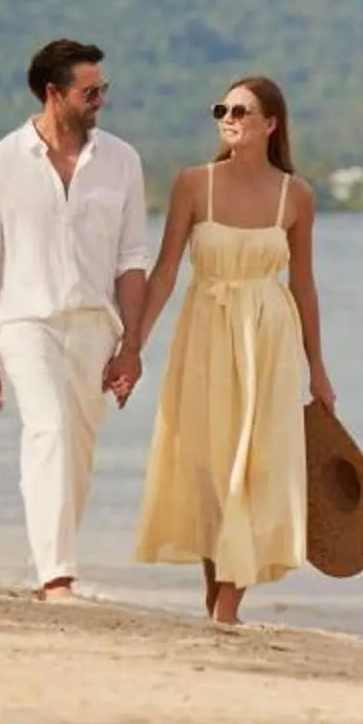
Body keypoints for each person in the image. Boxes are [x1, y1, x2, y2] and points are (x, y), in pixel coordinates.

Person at [119, 74, 335, 626]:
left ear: (270, 123)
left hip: (268, 338)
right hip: (205, 336)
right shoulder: (194, 184)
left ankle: (227, 611)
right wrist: (133, 346)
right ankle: (216, 602)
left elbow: (304, 286)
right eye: (223, 109)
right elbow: (165, 271)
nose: (228, 117)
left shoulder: (297, 195)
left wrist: (319, 369)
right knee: (211, 472)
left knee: (255, 469)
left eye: (241, 110)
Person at [0, 38, 152, 599]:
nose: (100, 102)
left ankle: (54, 563)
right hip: (25, 322)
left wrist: (132, 347)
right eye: (90, 92)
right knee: (50, 430)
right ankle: (56, 577)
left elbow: (132, 260)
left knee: (78, 455)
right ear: (53, 94)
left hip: (96, 325)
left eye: (103, 90)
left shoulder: (122, 161)